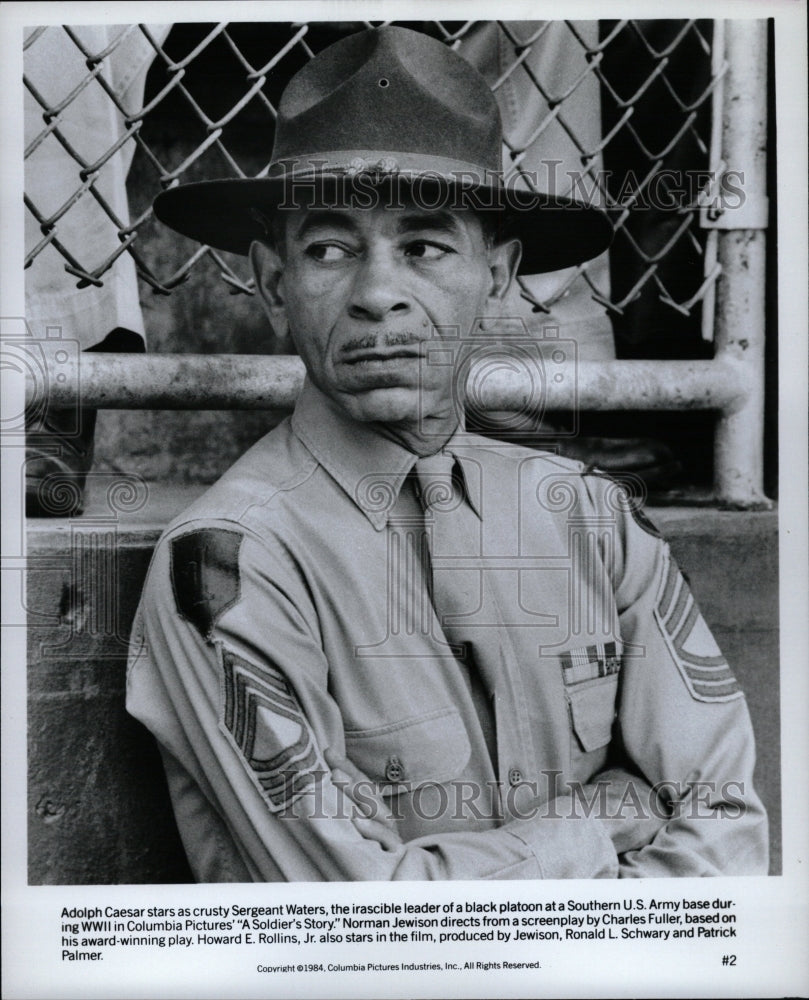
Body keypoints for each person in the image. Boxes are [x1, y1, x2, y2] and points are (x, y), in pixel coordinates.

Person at [127, 25, 768, 881]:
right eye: (329, 249)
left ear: (498, 279)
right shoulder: (233, 566)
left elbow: (722, 827)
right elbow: (365, 918)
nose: (378, 295)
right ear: (275, 284)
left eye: (424, 247)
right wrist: (592, 823)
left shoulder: (593, 517)